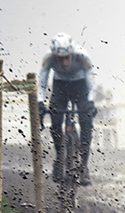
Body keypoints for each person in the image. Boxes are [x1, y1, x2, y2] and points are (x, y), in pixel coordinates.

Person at [38, 33, 96, 185]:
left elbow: (91, 79)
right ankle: (59, 159)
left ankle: (83, 165)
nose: (64, 62)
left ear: (72, 53)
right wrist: (39, 101)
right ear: (55, 55)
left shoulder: (82, 55)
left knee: (86, 122)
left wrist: (91, 102)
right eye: (60, 59)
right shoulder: (48, 57)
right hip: (60, 85)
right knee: (55, 121)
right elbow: (43, 79)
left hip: (80, 85)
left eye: (67, 58)